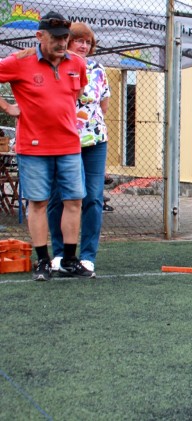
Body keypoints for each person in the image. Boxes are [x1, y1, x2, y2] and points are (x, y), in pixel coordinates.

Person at [0, 12, 92, 281]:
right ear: (40, 36)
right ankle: (42, 261)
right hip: (33, 147)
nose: (63, 43)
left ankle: (70, 261)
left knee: (74, 201)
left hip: (69, 145)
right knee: (38, 203)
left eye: (66, 38)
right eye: (56, 38)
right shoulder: (20, 62)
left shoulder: (77, 63)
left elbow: (74, 95)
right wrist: (7, 107)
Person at [47, 22, 110, 274]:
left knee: (93, 198)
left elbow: (102, 106)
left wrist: (87, 125)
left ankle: (87, 256)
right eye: (79, 40)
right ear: (66, 42)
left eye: (87, 42)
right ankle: (60, 254)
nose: (83, 45)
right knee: (58, 197)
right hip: (62, 141)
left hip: (94, 142)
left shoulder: (98, 69)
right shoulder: (57, 67)